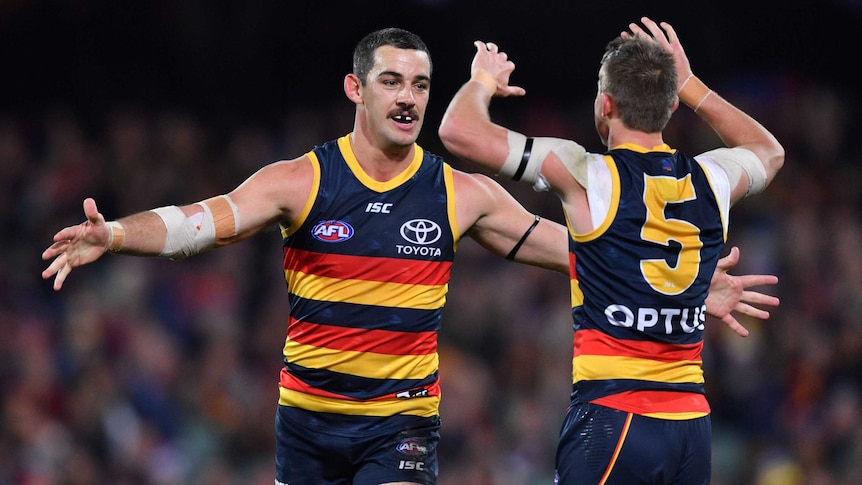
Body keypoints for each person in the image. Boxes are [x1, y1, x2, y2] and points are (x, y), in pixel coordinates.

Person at [42, 27, 778, 485]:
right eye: (392, 81)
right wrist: (115, 234)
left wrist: (685, 289)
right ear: (355, 90)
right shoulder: (303, 179)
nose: (409, 97)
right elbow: (202, 223)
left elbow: (583, 251)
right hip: (306, 419)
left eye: (421, 84)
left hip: (401, 423)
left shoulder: (461, 195)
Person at [438, 17, 784, 485]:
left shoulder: (589, 174)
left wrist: (481, 81)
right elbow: (768, 151)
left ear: (605, 105)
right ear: (669, 106)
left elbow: (458, 132)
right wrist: (691, 86)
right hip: (691, 426)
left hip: (614, 418)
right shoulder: (714, 178)